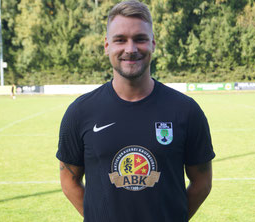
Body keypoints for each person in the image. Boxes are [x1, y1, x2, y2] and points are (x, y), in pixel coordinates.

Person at [56, 1, 215, 221]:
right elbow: (68, 181)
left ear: (153, 44)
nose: (130, 49)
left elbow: (202, 182)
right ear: (106, 46)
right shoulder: (80, 112)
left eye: (140, 39)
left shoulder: (186, 111)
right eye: (120, 39)